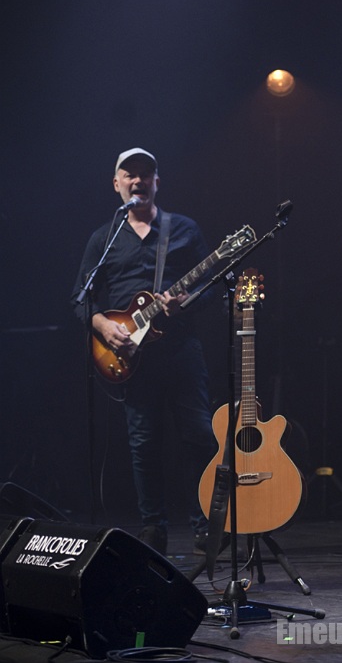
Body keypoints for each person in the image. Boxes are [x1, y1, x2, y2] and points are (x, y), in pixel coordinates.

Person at [71, 147, 217, 556]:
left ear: (156, 182)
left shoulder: (182, 229)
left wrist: (185, 303)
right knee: (143, 443)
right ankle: (153, 527)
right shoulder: (104, 239)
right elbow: (80, 299)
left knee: (199, 436)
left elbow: (211, 288)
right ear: (117, 184)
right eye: (129, 174)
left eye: (145, 174)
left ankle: (205, 524)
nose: (138, 180)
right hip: (129, 358)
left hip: (180, 349)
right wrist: (103, 326)